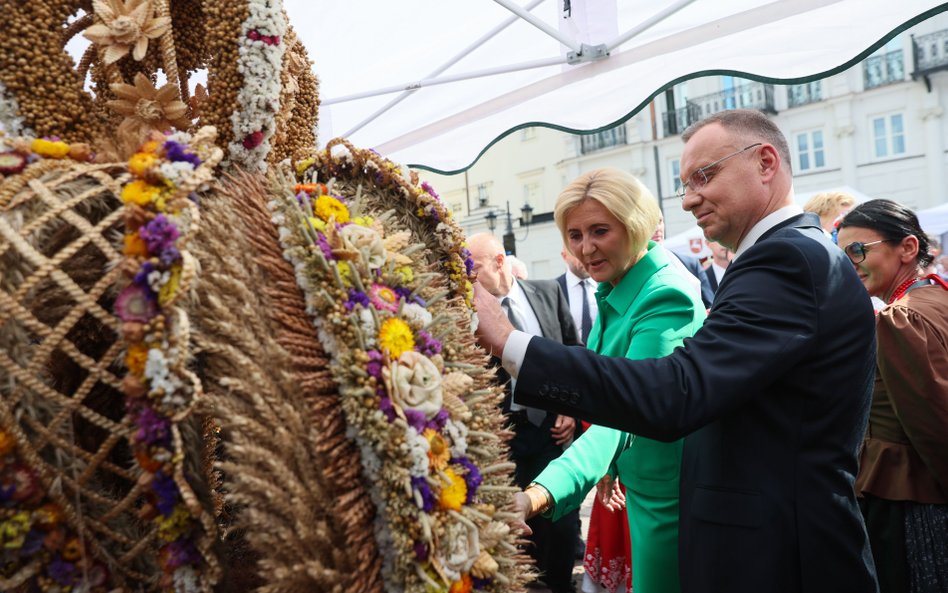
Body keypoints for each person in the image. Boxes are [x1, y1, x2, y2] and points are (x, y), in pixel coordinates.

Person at [474, 109, 879, 593]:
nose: (689, 199)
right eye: (684, 183)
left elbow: (671, 393)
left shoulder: (784, 258)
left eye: (704, 177)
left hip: (774, 550)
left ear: (766, 162)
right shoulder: (780, 256)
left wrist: (507, 340)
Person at [519, 168, 705, 593]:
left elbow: (624, 414)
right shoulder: (619, 285)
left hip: (670, 499)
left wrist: (538, 493)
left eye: (600, 230)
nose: (586, 248)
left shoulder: (664, 294)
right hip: (642, 487)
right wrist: (611, 469)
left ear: (636, 225)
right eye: (575, 235)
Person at [837, 199, 948, 593]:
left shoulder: (901, 319)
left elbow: (933, 424)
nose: (850, 262)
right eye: (844, 252)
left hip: (909, 499)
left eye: (858, 250)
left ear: (908, 248)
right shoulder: (936, 297)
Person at [466, 232, 580, 593]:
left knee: (561, 526)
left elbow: (573, 354)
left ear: (500, 262)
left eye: (474, 267)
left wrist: (570, 410)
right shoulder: (467, 313)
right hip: (503, 439)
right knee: (517, 533)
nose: (467, 275)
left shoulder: (548, 292)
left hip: (552, 431)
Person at [652, 212, 714, 308]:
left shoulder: (690, 264)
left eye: (660, 221)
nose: (657, 228)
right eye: (651, 223)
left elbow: (710, 307)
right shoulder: (628, 269)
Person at [556, 249, 599, 345]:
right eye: (578, 254)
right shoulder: (554, 289)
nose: (586, 259)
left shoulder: (607, 285)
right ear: (564, 256)